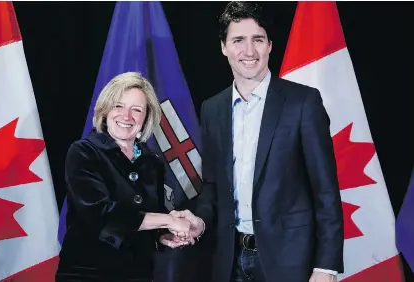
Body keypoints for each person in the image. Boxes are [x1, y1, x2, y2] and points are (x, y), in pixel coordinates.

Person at [168, 2, 344, 282]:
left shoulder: (303, 102)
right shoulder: (212, 109)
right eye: (238, 40)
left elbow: (325, 191)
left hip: (290, 262)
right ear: (224, 47)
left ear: (270, 45)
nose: (249, 51)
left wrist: (326, 267)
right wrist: (198, 222)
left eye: (257, 40)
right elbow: (213, 187)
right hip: (228, 262)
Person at [55, 72, 192, 282]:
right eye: (118, 106)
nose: (126, 116)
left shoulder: (151, 161)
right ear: (105, 110)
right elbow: (102, 216)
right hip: (87, 275)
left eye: (136, 110)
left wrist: (162, 235)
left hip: (139, 275)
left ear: (146, 118)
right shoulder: (83, 153)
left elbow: (148, 215)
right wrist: (169, 220)